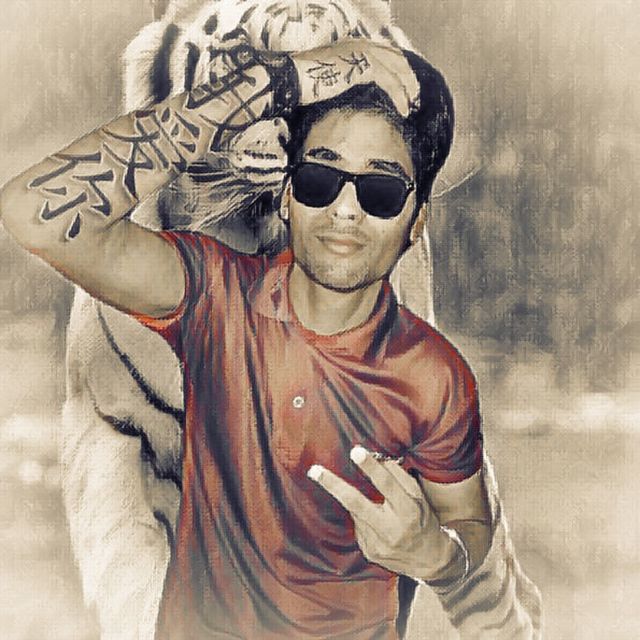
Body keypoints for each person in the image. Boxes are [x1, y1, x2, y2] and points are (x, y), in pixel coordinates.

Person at [0, 38, 537, 639]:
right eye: (319, 178)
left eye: (381, 191)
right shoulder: (212, 293)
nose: (345, 211)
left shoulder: (435, 375)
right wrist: (274, 82)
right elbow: (33, 211)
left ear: (417, 223)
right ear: (285, 196)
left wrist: (436, 555)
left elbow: (469, 525)